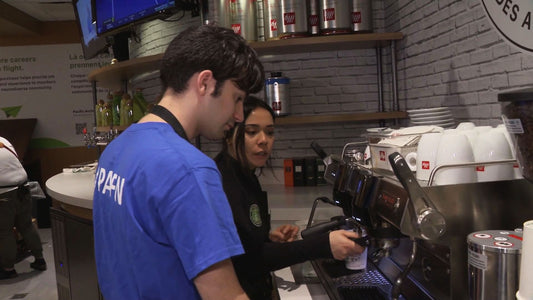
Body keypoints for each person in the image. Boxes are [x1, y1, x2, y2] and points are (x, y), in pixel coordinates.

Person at [92, 24, 264, 300]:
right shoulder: (190, 169)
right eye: (237, 98)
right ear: (205, 82)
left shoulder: (115, 151)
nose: (240, 115)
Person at [214, 96, 365, 299]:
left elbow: (244, 241)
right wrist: (324, 245)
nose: (263, 140)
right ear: (229, 134)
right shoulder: (223, 182)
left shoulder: (246, 175)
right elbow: (247, 260)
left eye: (270, 132)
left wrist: (267, 239)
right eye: (252, 131)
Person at [0, 136, 47, 280]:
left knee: (4, 231)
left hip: (5, 192)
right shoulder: (4, 141)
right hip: (23, 188)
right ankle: (40, 260)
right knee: (26, 226)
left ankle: (8, 269)